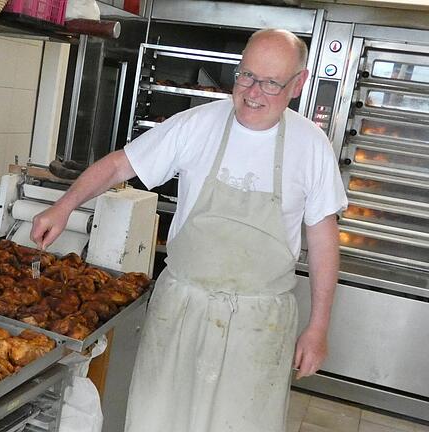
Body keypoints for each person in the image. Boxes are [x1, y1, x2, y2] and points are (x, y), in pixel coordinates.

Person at [30, 29, 348, 432]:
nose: (252, 92)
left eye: (271, 83)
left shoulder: (311, 146)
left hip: (258, 323)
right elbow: (118, 166)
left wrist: (318, 328)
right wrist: (64, 206)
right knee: (158, 419)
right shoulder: (198, 124)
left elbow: (323, 242)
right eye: (245, 76)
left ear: (298, 84)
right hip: (181, 309)